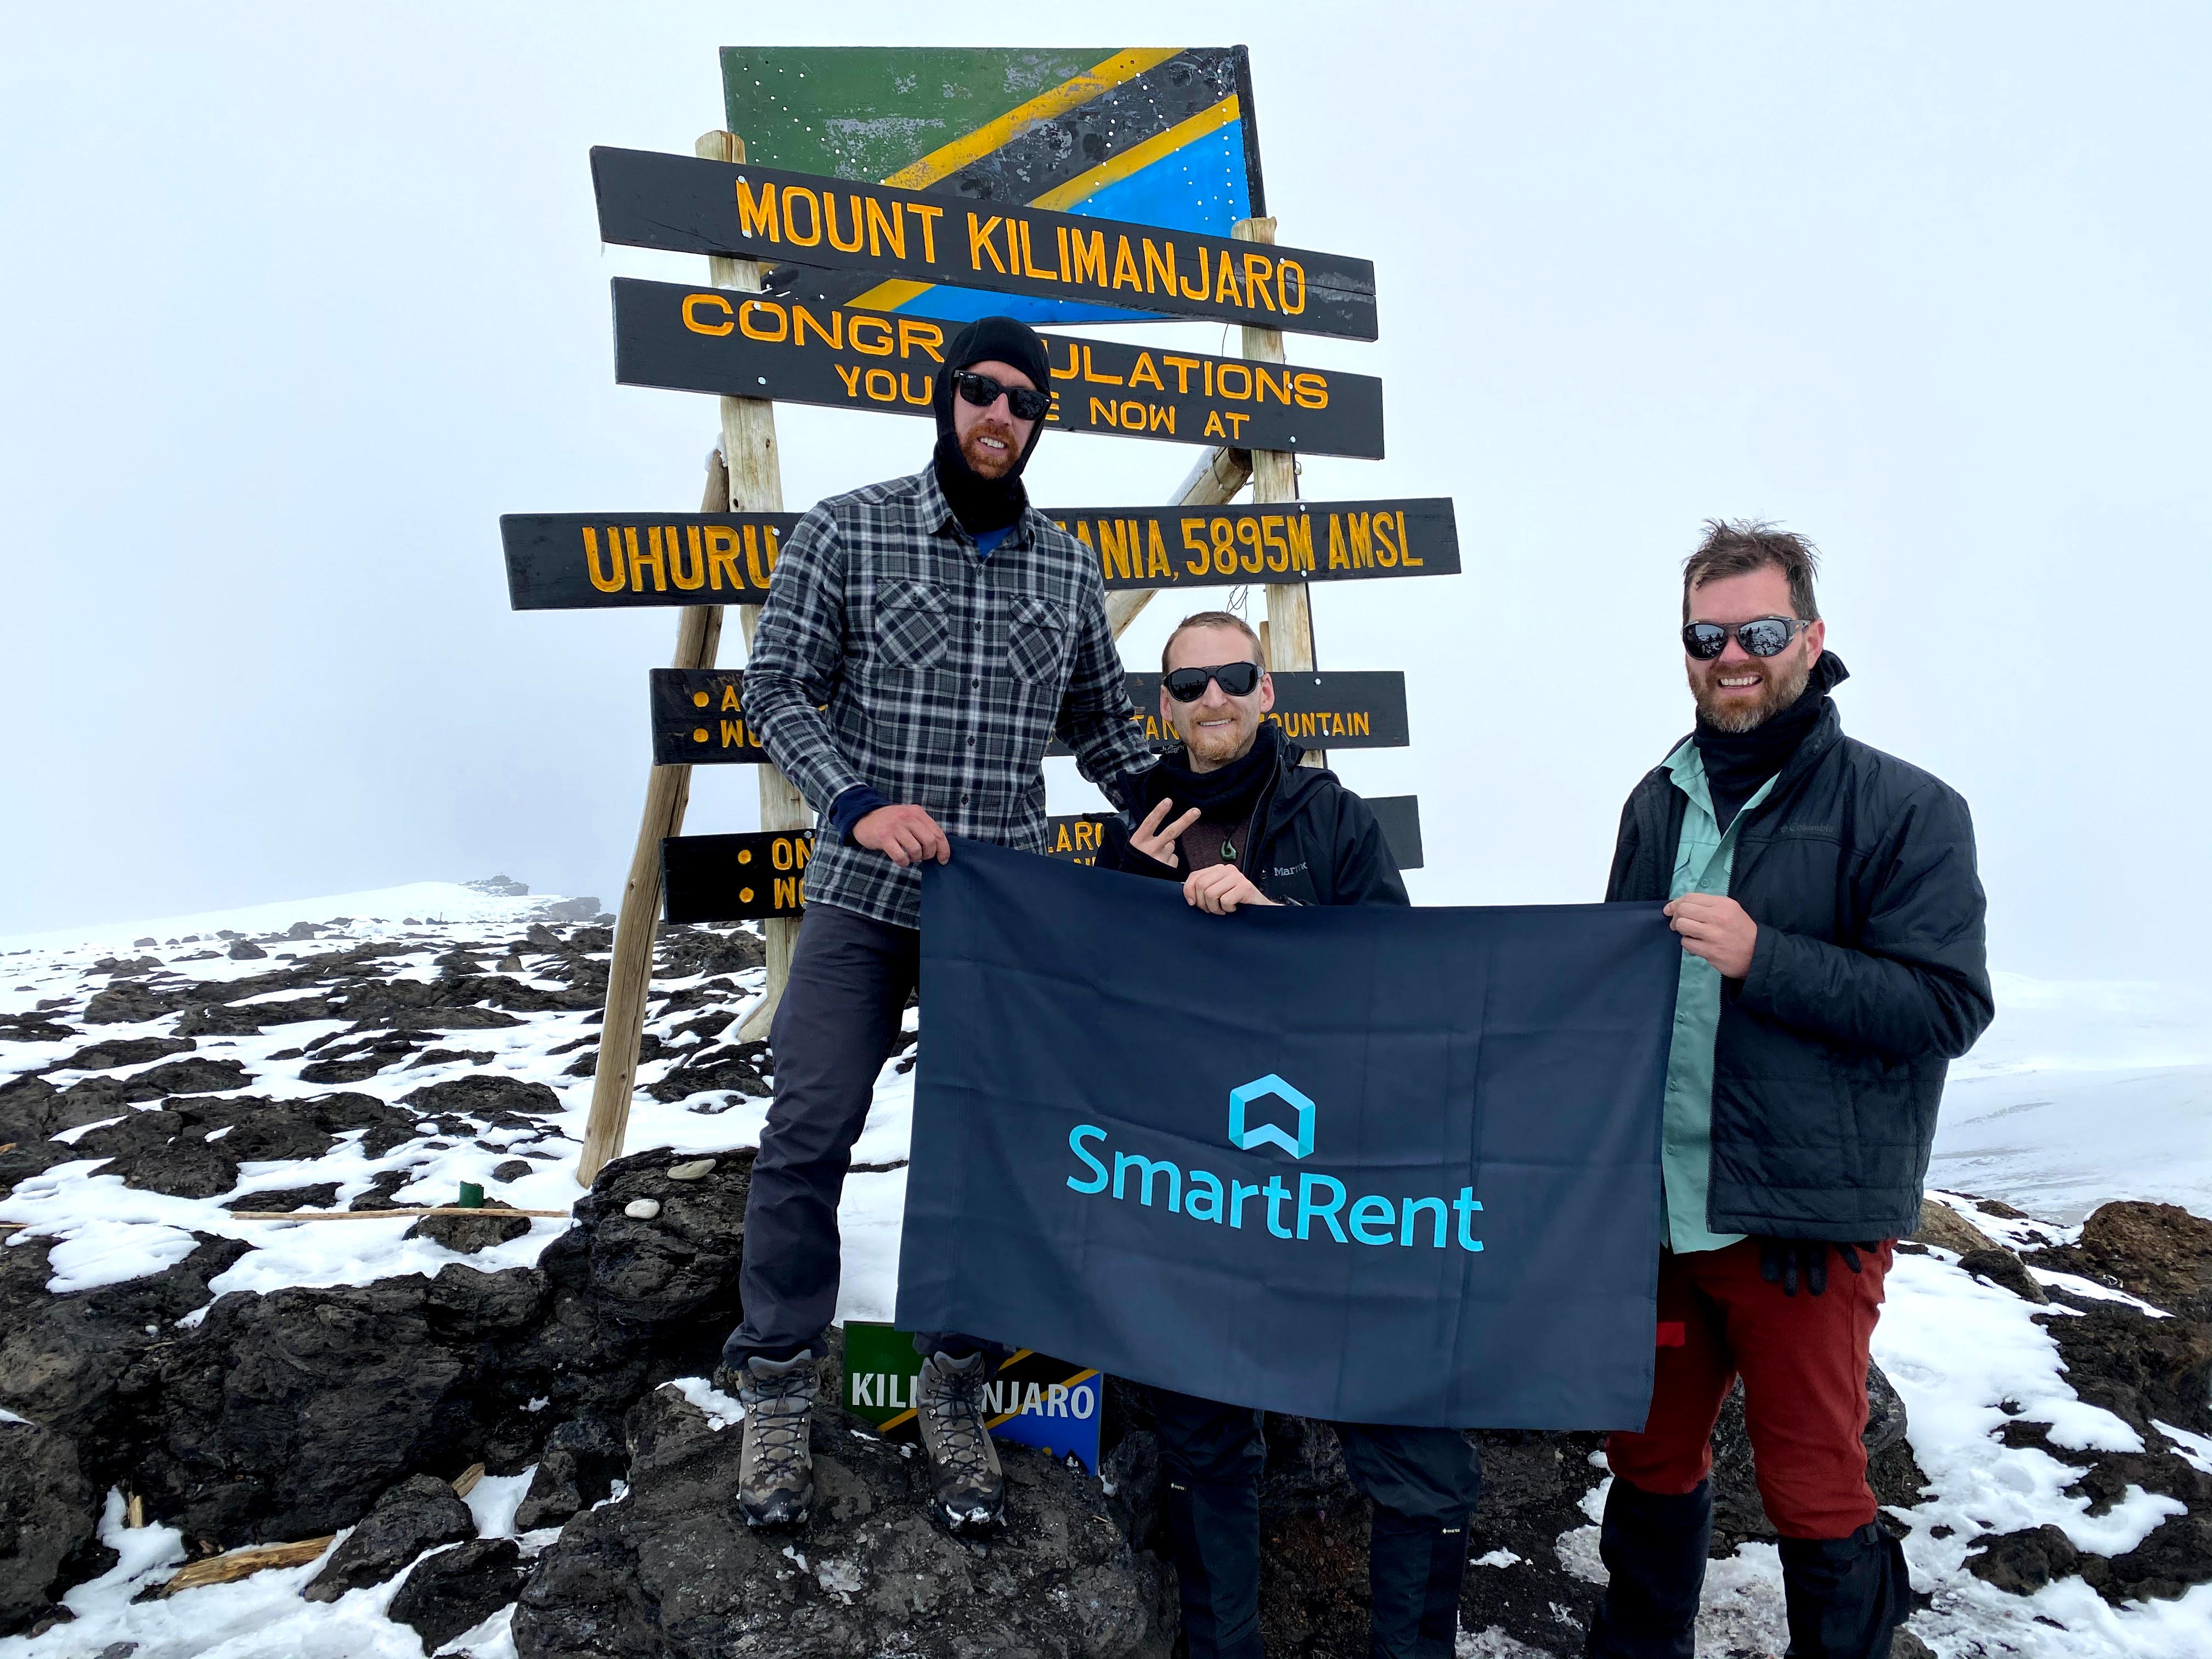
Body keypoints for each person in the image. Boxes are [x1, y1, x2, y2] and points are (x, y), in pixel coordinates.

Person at [725, 316, 1157, 1534]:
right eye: (981, 391)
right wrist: (854, 801)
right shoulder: (846, 527)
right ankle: (776, 1387)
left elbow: (1108, 734)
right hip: (864, 902)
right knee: (808, 1128)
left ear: (1040, 424)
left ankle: (956, 1388)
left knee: (988, 1162)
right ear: (945, 398)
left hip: (996, 912)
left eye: (1023, 402)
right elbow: (773, 687)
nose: (999, 415)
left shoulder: (1069, 573)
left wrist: (1197, 811)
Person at [1591, 523, 1993, 1659]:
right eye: (1707, 635)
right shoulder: (1655, 802)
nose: (1733, 655)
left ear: (1812, 640)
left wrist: (1766, 956)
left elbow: (1944, 1007)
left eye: (1760, 632)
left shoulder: (1908, 809)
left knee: (1815, 1485)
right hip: (1659, 1212)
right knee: (1648, 1460)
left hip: (1802, 1223)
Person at [1097, 610, 1483, 1659]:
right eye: (1189, 684)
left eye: (1233, 676)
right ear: (1164, 707)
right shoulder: (1133, 825)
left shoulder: (1331, 818)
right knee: (1204, 1443)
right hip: (1194, 1189)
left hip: (1337, 1190)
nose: (1211, 697)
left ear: (1268, 692)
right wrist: (1132, 894)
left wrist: (1272, 920)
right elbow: (1091, 1005)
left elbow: (1402, 987)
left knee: (1409, 1438)